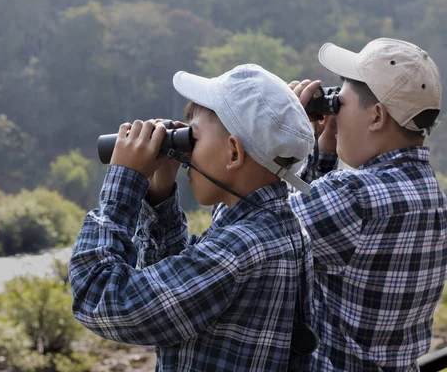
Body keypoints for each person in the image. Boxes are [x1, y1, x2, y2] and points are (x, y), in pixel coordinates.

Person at [69, 64, 317, 371]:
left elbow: (99, 297)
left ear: (233, 153)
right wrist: (160, 200)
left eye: (193, 138)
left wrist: (124, 182)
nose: (185, 154)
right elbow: (174, 295)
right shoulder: (271, 227)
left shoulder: (240, 250)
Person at [288, 38, 447, 371]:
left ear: (377, 116)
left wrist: (284, 135)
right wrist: (325, 150)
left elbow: (251, 226)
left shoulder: (354, 196)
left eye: (339, 104)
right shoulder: (435, 200)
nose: (333, 114)